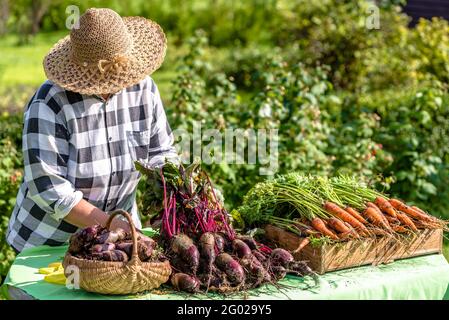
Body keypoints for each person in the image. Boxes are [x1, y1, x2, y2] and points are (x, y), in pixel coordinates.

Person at [6, 8, 178, 253]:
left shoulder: (144, 89)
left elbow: (160, 152)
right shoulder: (50, 103)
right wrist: (115, 225)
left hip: (123, 241)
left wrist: (171, 194)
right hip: (51, 244)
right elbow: (51, 190)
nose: (114, 86)